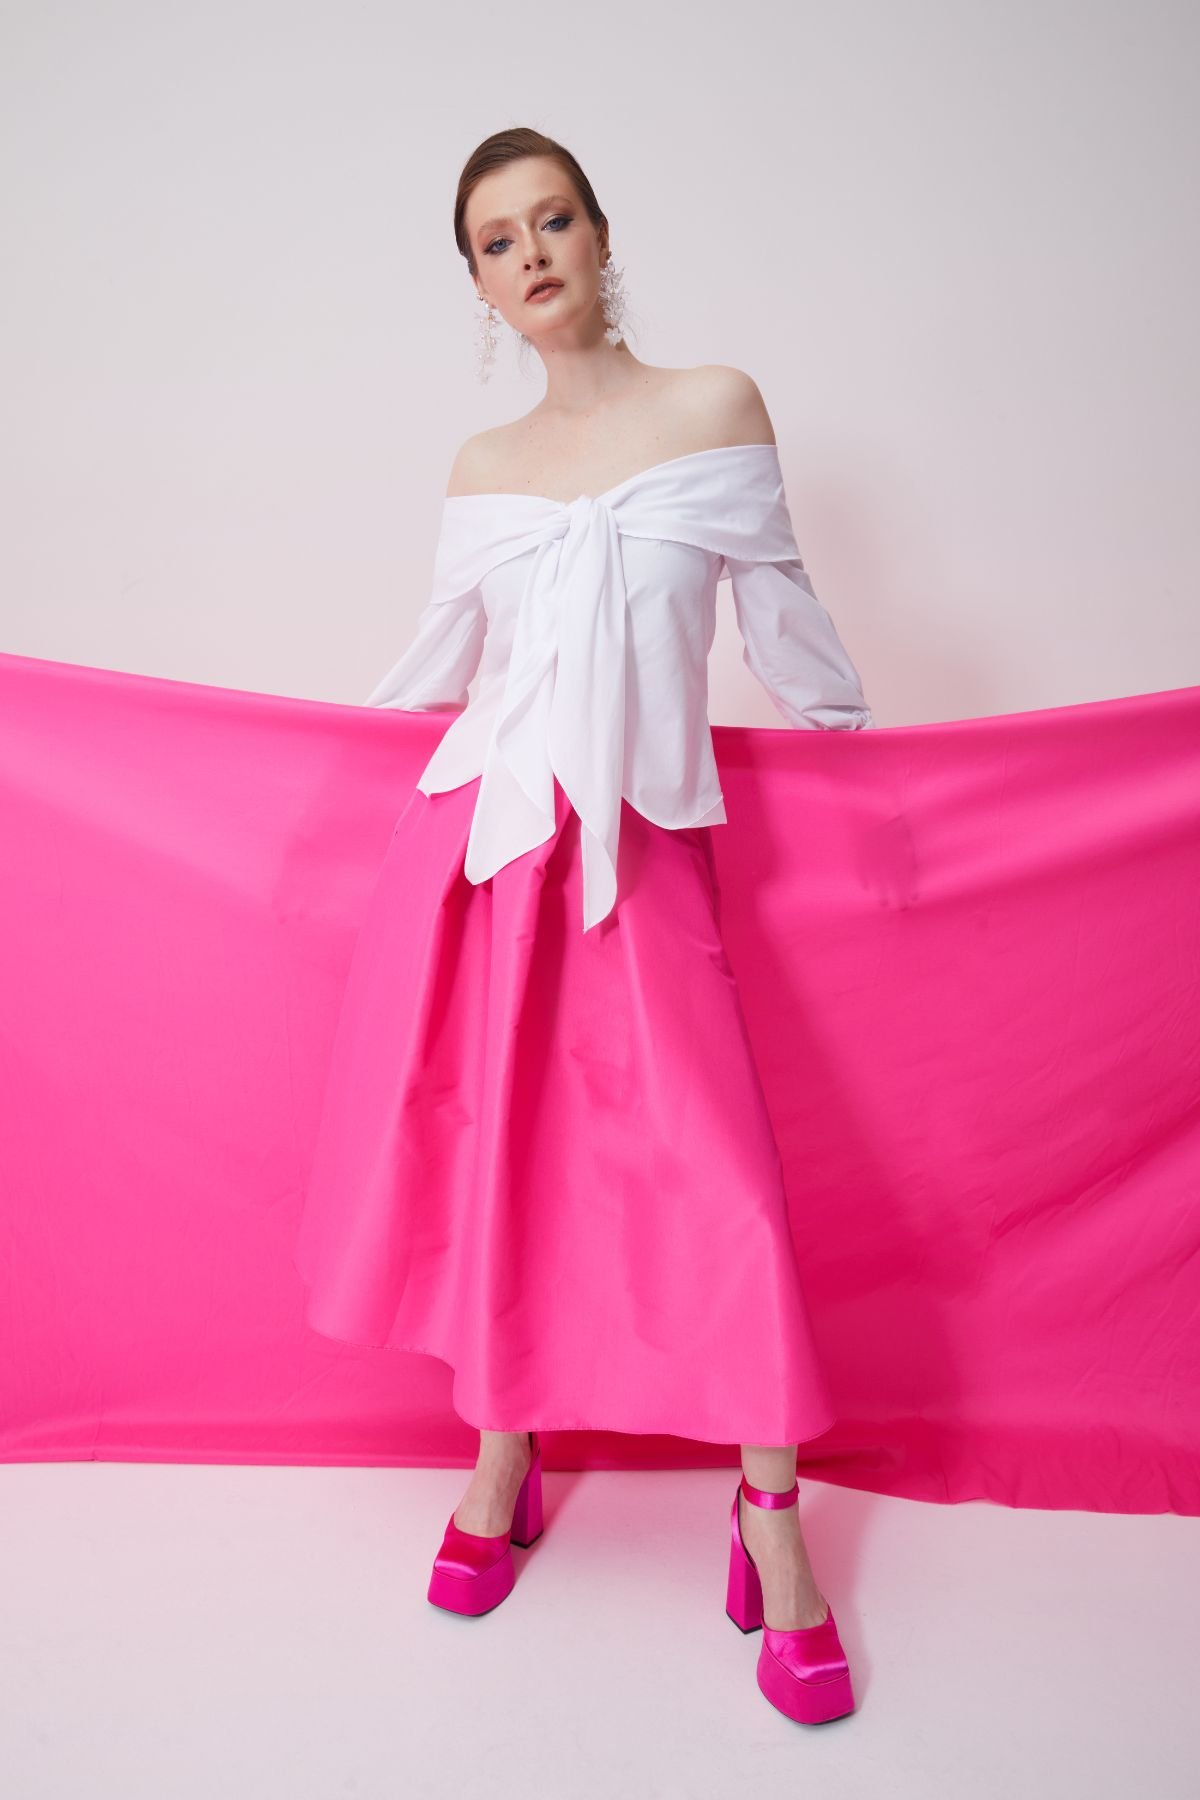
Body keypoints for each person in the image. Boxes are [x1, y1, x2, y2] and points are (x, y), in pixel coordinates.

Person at [293, 126, 874, 1727]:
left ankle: (772, 1516)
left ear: (603, 237)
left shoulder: (714, 409)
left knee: (726, 1190)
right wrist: (275, 781)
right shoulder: (482, 466)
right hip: (487, 864)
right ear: (479, 285)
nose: (531, 252)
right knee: (506, 1168)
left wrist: (896, 783)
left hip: (647, 856)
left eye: (553, 220)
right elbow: (435, 669)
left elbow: (788, 626)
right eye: (497, 240)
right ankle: (505, 1454)